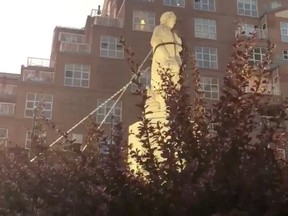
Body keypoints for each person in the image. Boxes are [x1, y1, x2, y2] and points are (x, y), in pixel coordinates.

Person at [150, 11, 182, 90]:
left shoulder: (172, 34)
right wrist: (165, 54)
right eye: (173, 20)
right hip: (163, 59)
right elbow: (155, 41)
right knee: (162, 80)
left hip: (172, 60)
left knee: (174, 78)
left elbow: (177, 48)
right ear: (167, 19)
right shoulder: (159, 28)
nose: (174, 22)